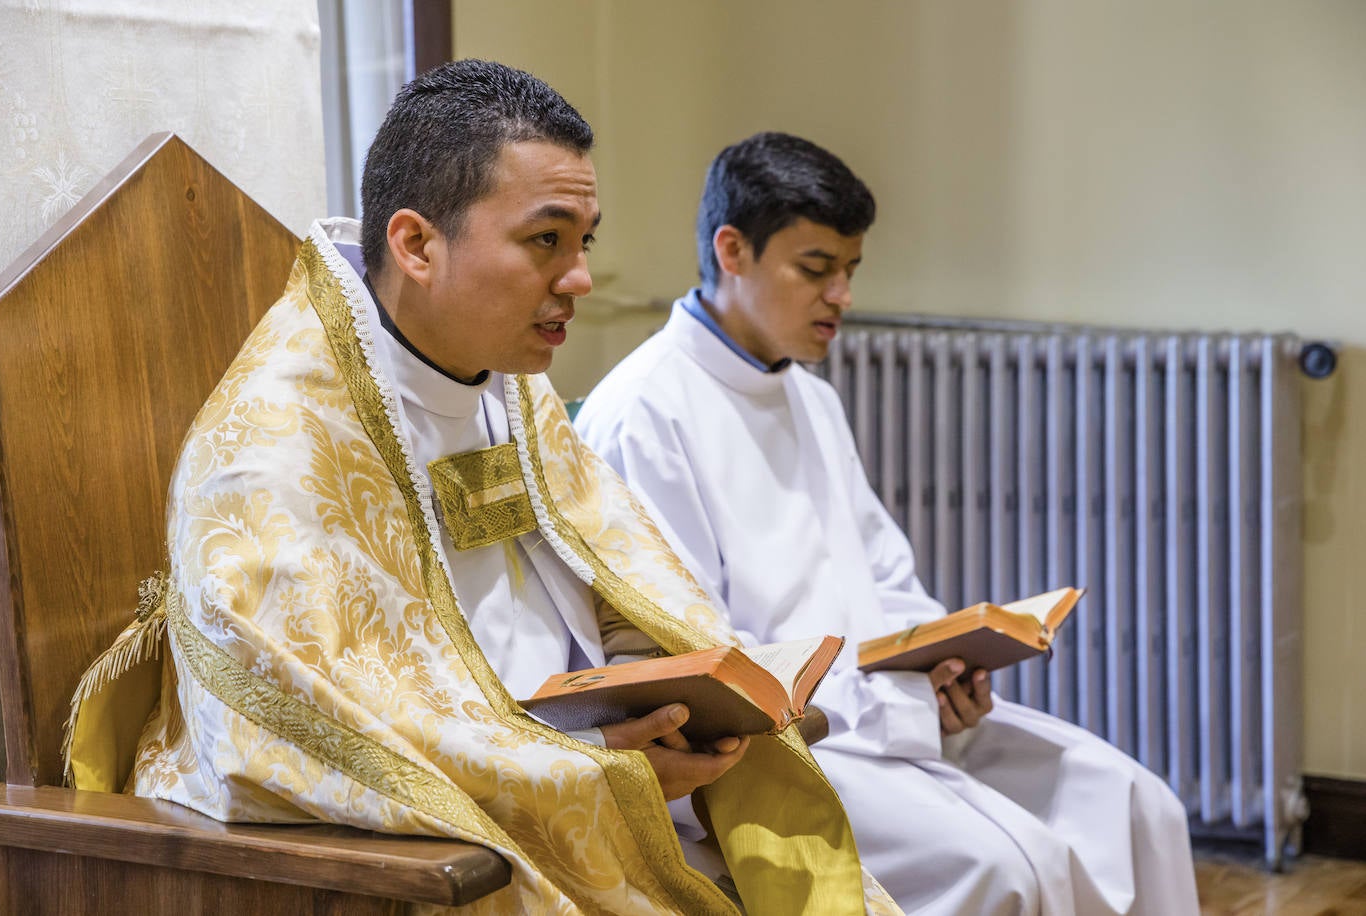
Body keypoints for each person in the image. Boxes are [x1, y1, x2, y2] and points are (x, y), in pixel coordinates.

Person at [64, 67, 898, 915]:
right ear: (418, 246)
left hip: (597, 782)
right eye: (546, 240)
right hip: (442, 858)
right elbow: (324, 742)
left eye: (586, 242)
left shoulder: (508, 386)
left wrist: (666, 693)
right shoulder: (275, 453)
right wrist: (597, 766)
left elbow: (620, 578)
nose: (578, 278)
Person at [577, 131, 1201, 915]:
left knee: (1138, 803)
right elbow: (706, 665)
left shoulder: (810, 397)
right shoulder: (644, 414)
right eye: (816, 269)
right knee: (1010, 867)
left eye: (850, 271)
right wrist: (898, 706)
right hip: (782, 752)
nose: (842, 295)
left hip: (883, 713)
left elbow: (885, 580)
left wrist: (942, 668)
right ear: (732, 250)